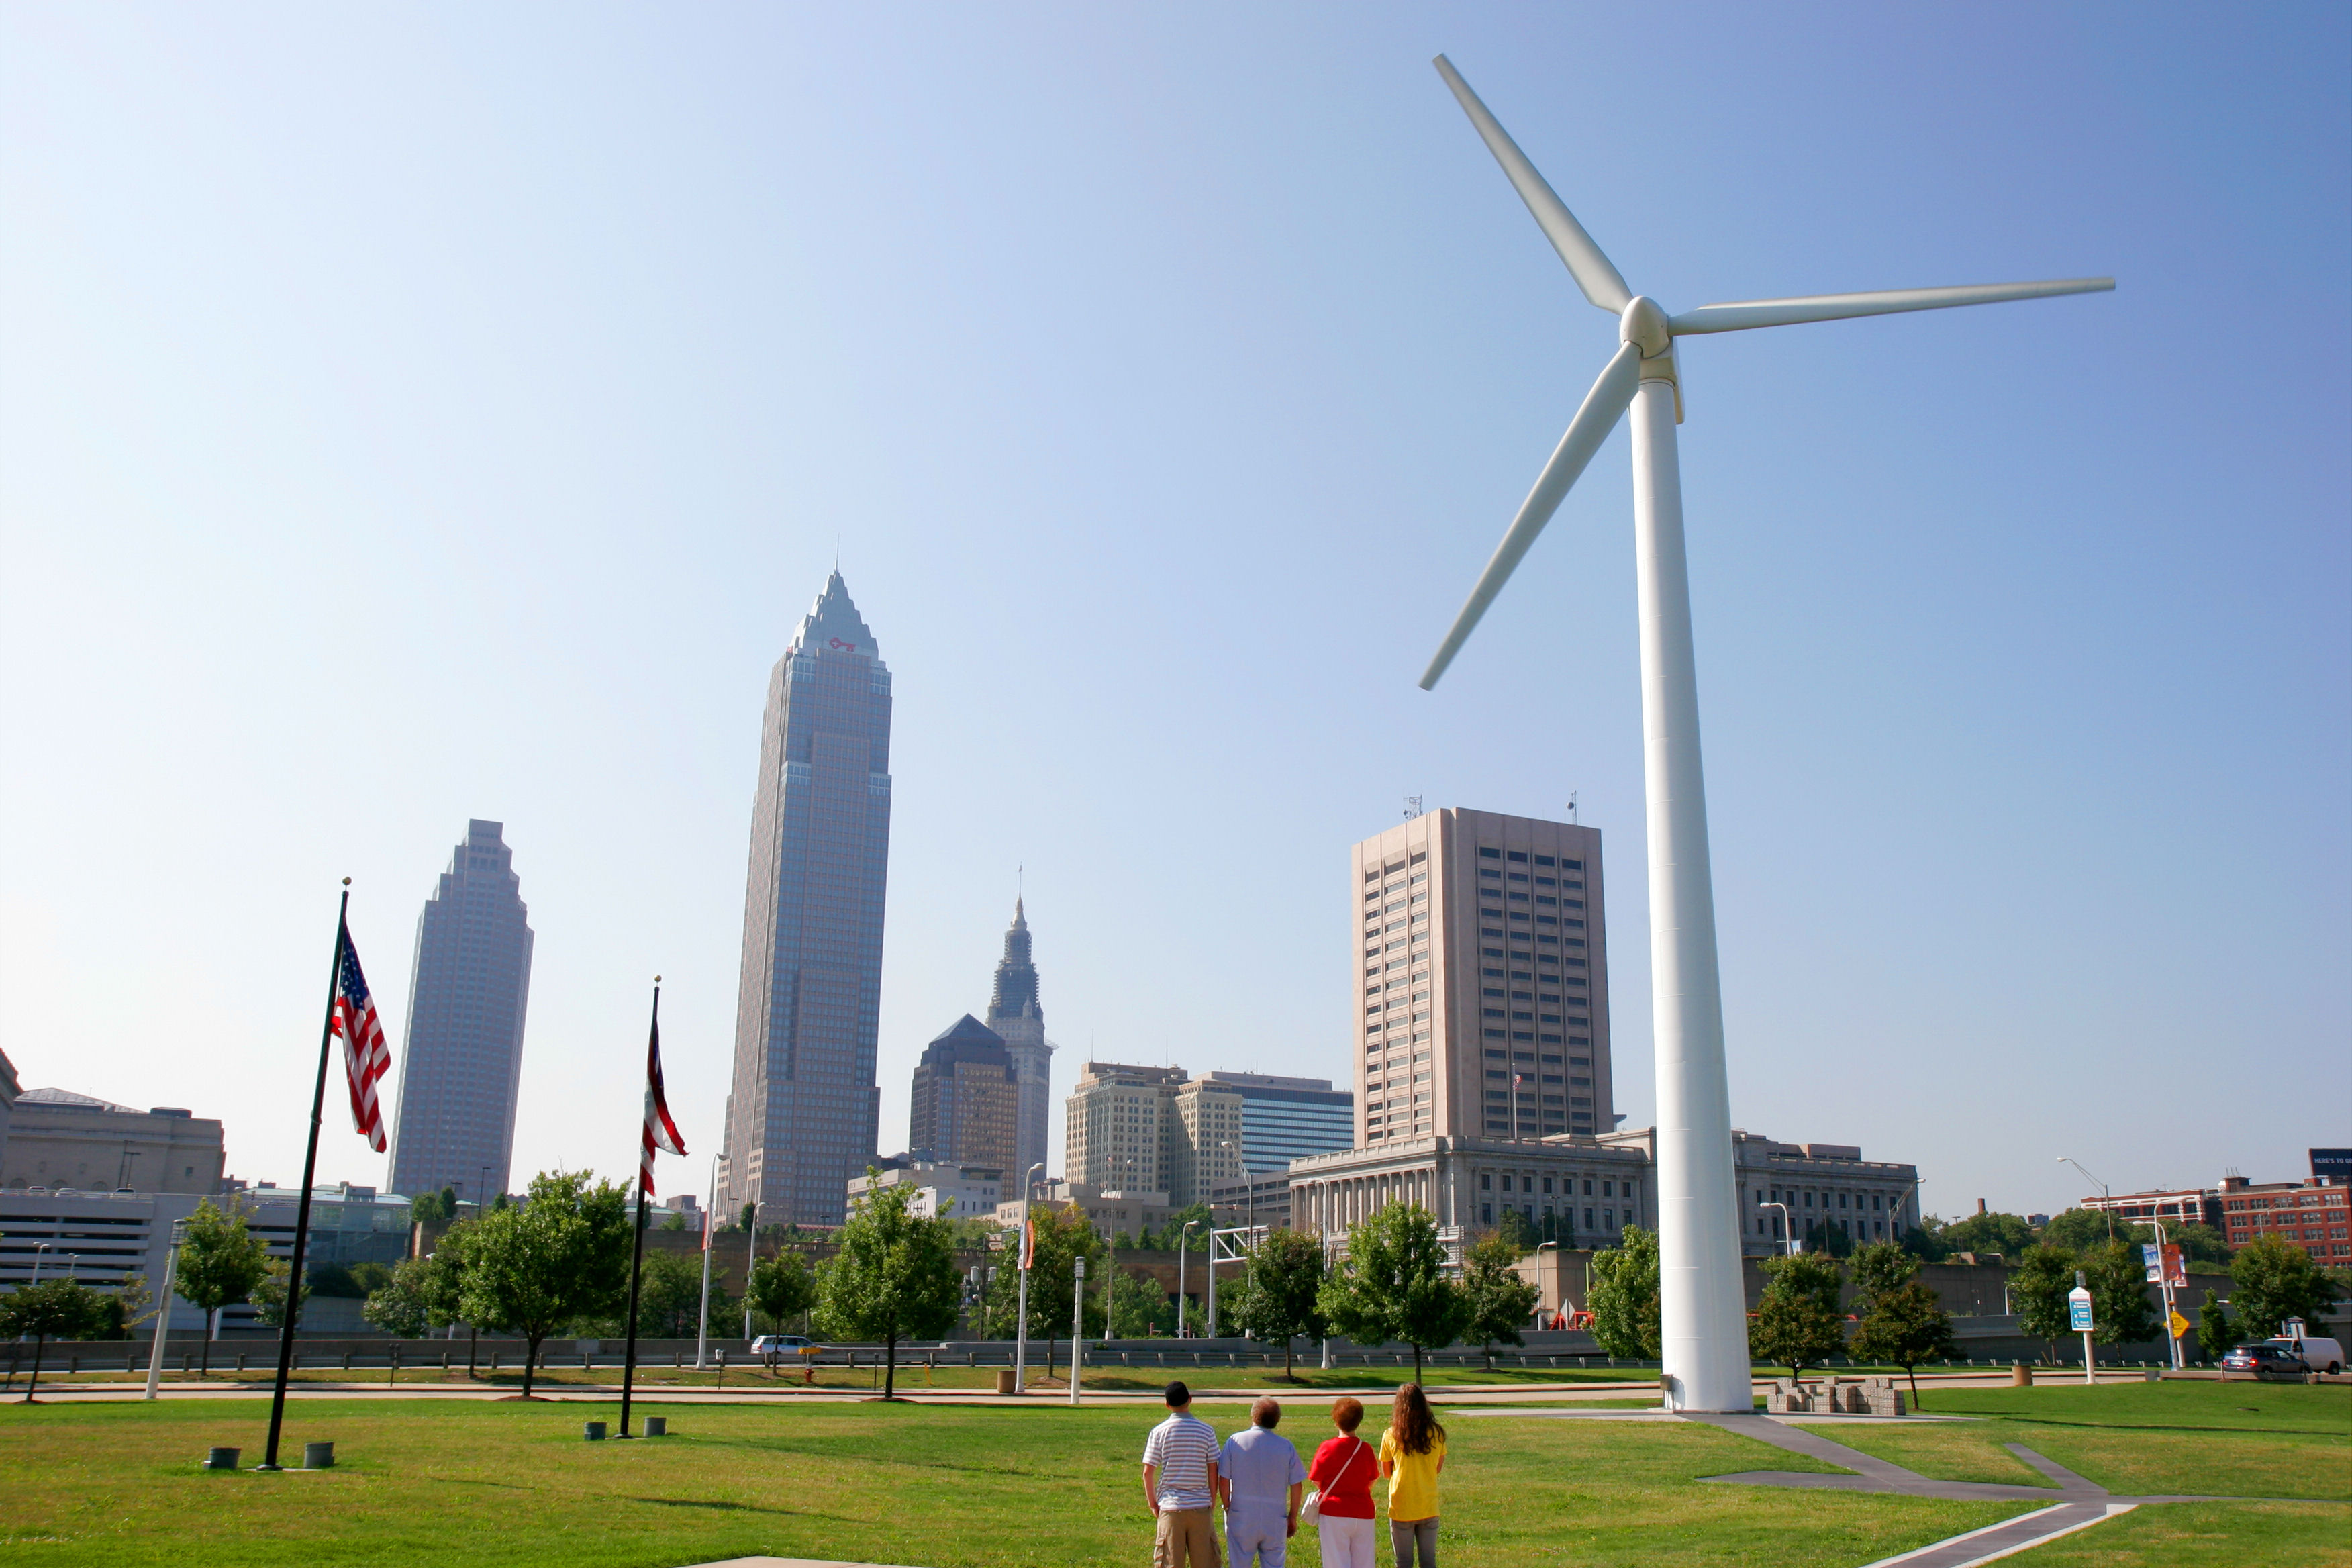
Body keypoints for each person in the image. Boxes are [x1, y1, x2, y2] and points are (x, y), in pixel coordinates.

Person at [1142, 1379, 1222, 1568]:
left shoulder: (1159, 1432)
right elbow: (1213, 1468)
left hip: (1170, 1508)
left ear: (1167, 1404)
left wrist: (1153, 1503)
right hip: (1200, 1506)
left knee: (1170, 1562)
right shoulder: (1206, 1431)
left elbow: (1148, 1472)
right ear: (1190, 1399)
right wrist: (1212, 1498)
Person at [1218, 1397, 1306, 1568]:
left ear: (1253, 1416)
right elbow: (1297, 1484)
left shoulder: (1235, 1441)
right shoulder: (1286, 1446)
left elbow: (1224, 1479)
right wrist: (1292, 1515)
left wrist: (1227, 1506)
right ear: (1277, 1420)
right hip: (1275, 1516)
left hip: (1242, 1513)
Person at [1377, 1383, 1446, 1568]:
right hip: (1428, 1504)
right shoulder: (1437, 1433)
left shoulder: (1391, 1434)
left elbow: (1386, 1472)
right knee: (1429, 1561)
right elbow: (1437, 1468)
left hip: (1401, 1504)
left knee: (1404, 1562)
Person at [1306, 1396, 1379, 1568]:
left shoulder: (1327, 1448)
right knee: (1364, 1562)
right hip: (1363, 1511)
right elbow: (1372, 1479)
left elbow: (1316, 1479)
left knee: (1335, 1562)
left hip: (1334, 1512)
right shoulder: (1365, 1448)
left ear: (1336, 1421)